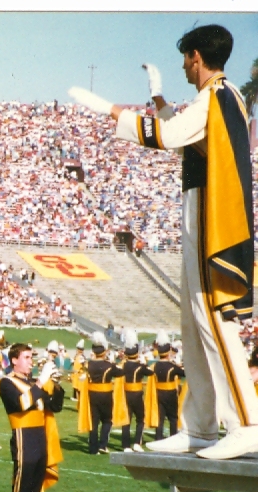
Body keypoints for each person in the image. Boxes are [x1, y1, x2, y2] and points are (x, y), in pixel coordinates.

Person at [70, 24, 258, 459]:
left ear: (196, 56)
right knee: (195, 326)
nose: (182, 66)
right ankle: (201, 426)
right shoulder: (217, 97)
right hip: (201, 208)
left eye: (185, 59)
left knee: (214, 322)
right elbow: (185, 138)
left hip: (213, 214)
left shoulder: (217, 95)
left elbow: (170, 137)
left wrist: (113, 111)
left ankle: (247, 422)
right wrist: (158, 102)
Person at [0, 343, 64, 492]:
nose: (30, 361)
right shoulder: (7, 382)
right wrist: (42, 382)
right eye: (26, 357)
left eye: (30, 357)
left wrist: (57, 386)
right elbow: (21, 403)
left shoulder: (33, 383)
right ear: (14, 360)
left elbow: (55, 406)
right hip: (23, 439)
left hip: (40, 439)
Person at [78, 334, 123, 455]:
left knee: (94, 421)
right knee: (107, 420)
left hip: (92, 394)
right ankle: (103, 445)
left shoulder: (87, 364)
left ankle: (93, 448)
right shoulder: (109, 365)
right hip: (106, 395)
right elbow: (120, 373)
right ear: (105, 351)